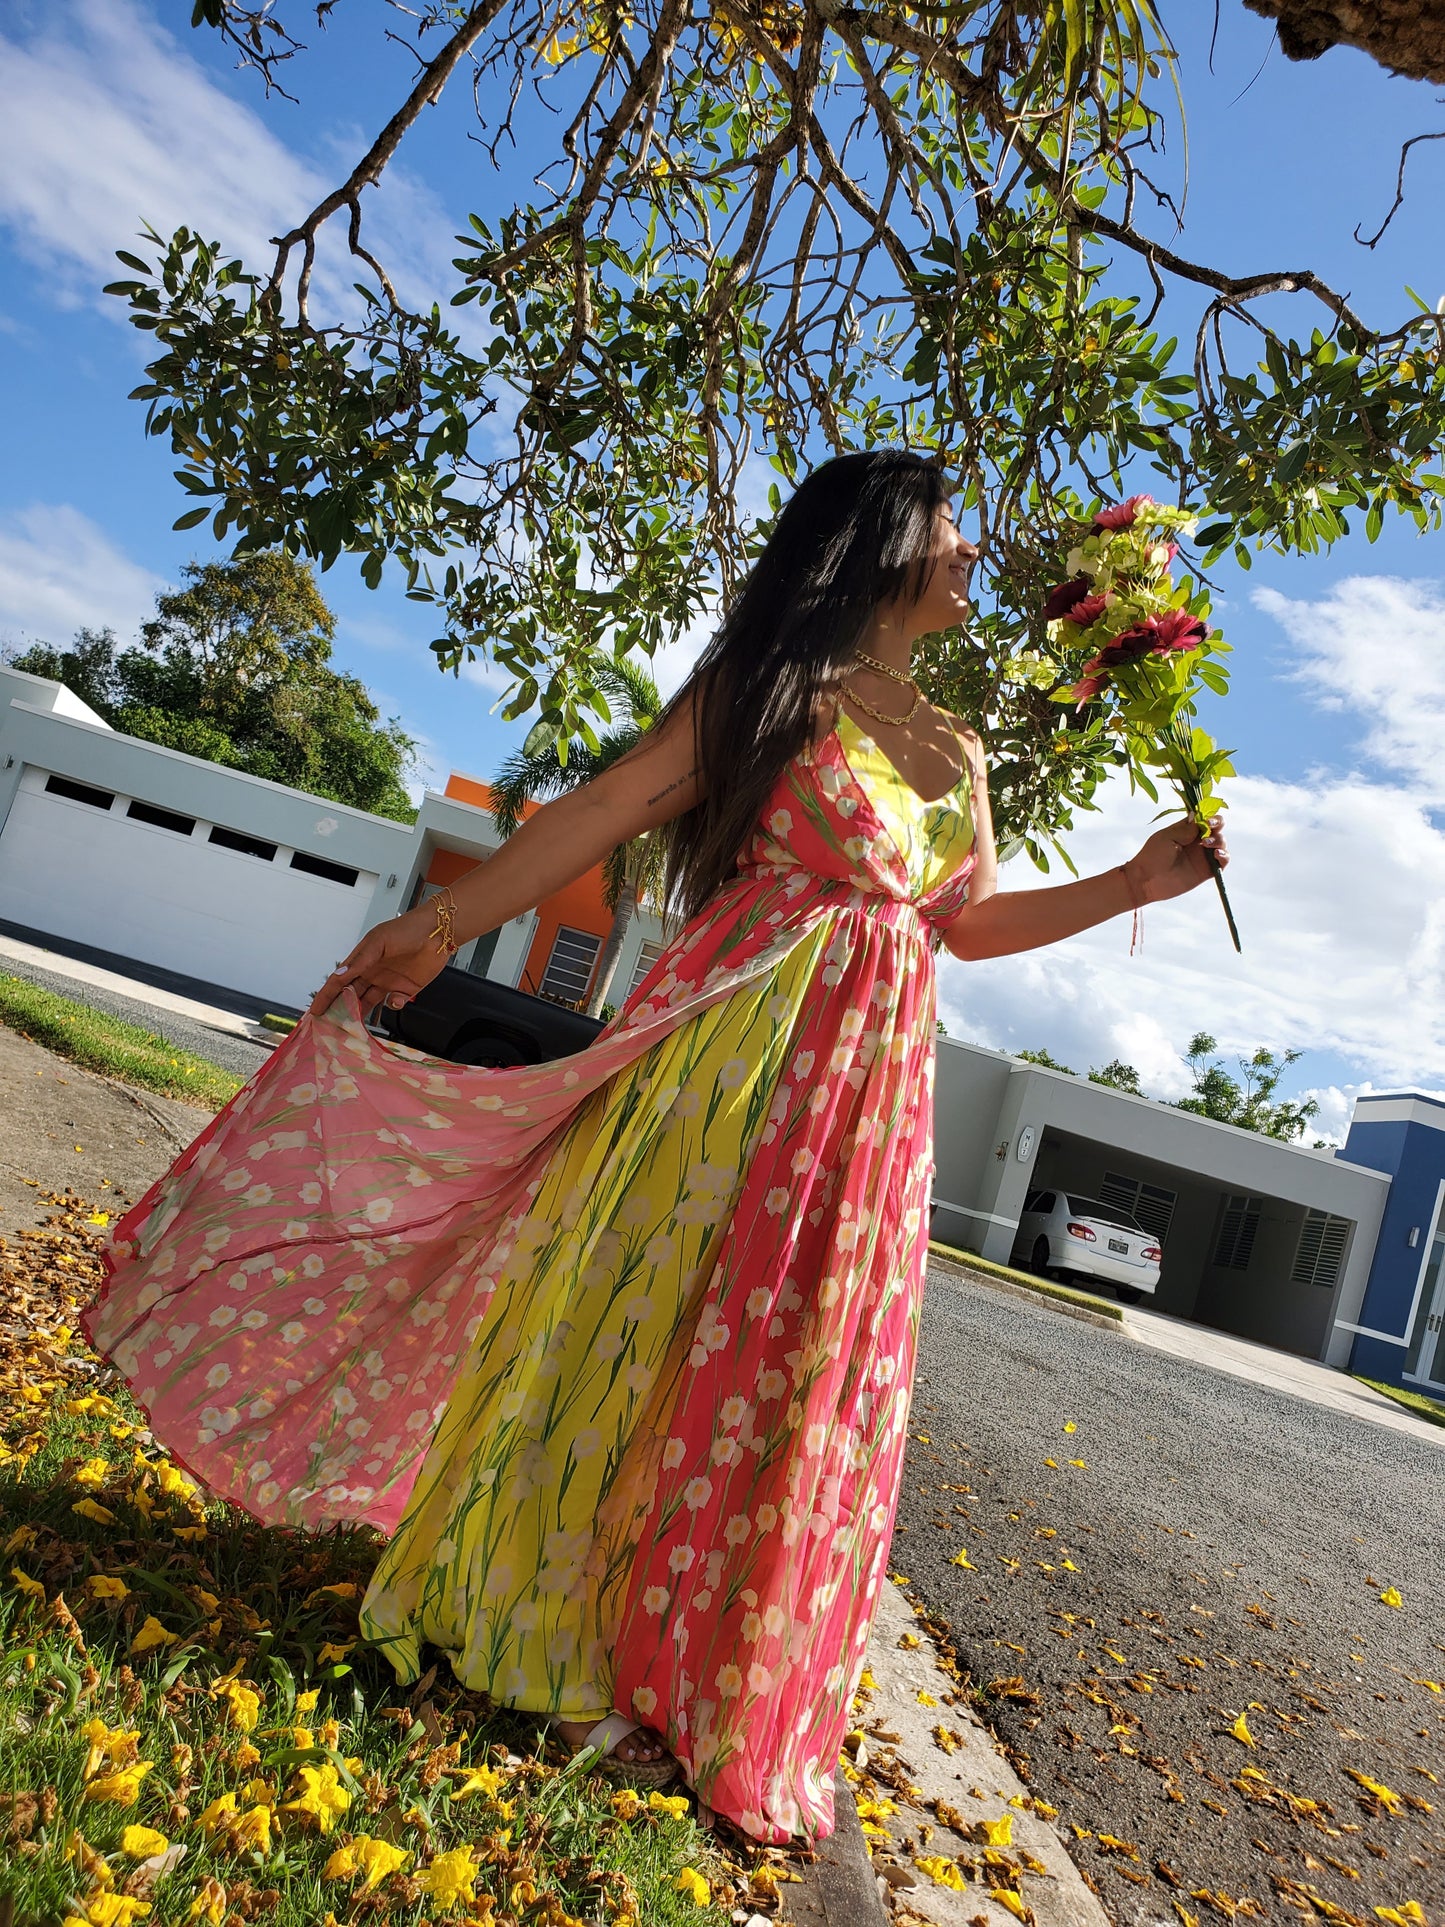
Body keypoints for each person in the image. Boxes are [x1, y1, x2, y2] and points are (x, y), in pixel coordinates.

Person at [84, 450, 1227, 1843]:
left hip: (863, 1107)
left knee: (783, 1366)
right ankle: (548, 1634)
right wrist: (437, 929)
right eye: (949, 525)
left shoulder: (956, 746)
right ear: (877, 543)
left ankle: (695, 1663)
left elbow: (960, 928)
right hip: (724, 1064)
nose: (972, 550)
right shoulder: (769, 691)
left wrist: (1135, 882)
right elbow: (607, 808)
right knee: (648, 1329)